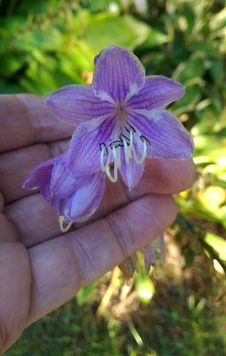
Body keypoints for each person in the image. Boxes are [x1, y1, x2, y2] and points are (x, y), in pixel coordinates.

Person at [0, 94, 195, 352]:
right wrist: (80, 166)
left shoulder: (138, 121)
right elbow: (79, 152)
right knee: (82, 169)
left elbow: (173, 140)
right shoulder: (92, 143)